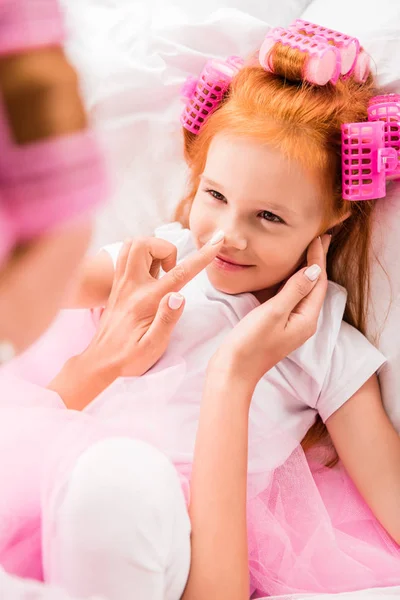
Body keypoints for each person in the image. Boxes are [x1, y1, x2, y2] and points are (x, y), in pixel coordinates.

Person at [30, 19, 400, 600]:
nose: (227, 236)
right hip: (65, 482)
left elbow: (390, 492)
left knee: (118, 495)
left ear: (333, 218)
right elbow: (45, 286)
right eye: (216, 195)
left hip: (190, 535)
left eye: (269, 217)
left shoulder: (321, 339)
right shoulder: (164, 257)